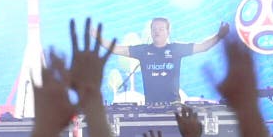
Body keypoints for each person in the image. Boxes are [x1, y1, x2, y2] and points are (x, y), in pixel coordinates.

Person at [96, 18, 229, 104]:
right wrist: (98, 38)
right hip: (151, 108)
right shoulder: (143, 51)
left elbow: (203, 46)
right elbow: (116, 49)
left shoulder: (176, 49)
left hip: (174, 108)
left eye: (161, 29)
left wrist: (219, 36)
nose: (157, 32)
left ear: (168, 32)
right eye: (154, 29)